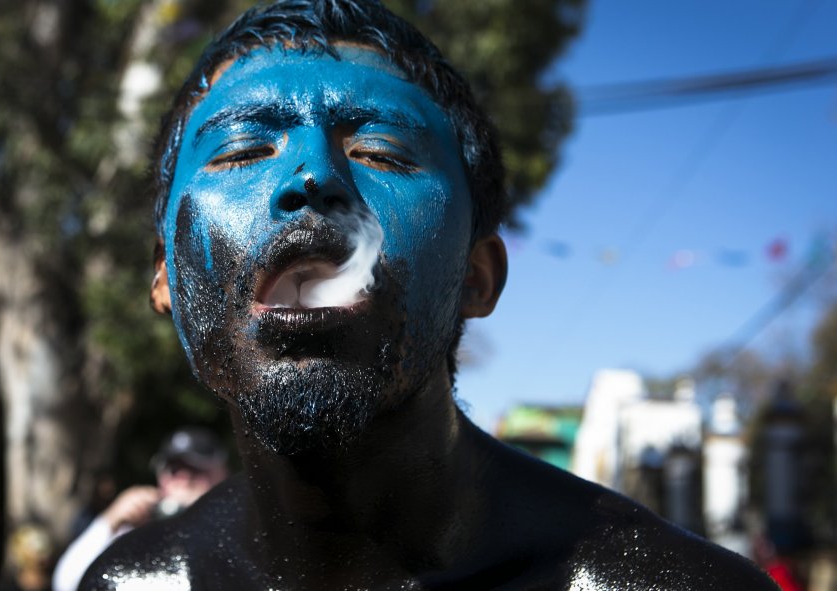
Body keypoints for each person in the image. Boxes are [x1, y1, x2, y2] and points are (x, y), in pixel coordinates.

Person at [82, 1, 779, 589]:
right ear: (166, 278)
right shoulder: (133, 582)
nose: (311, 175)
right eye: (240, 151)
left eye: (381, 152)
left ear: (478, 276)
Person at [53, 429, 227, 591]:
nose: (183, 478)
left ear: (222, 474)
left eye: (195, 469)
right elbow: (67, 583)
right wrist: (110, 521)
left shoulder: (233, 528)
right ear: (161, 476)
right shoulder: (138, 527)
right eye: (174, 469)